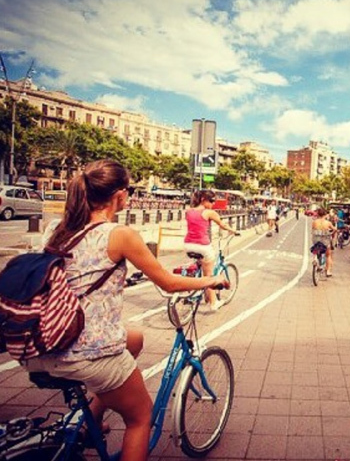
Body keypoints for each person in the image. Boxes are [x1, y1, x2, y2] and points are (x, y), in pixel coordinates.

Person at [23, 160, 226, 461]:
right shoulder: (119, 234)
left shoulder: (57, 228)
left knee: (134, 340)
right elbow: (168, 282)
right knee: (140, 416)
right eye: (128, 190)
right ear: (118, 195)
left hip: (43, 342)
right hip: (86, 350)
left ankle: (87, 421)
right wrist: (212, 280)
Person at [184, 189, 237, 310]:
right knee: (209, 276)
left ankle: (201, 293)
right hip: (202, 246)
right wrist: (233, 231)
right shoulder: (209, 212)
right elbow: (222, 225)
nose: (213, 203)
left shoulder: (189, 211)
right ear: (203, 200)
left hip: (188, 245)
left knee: (201, 267)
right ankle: (213, 303)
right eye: (211, 200)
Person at [311, 207, 336, 277]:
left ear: (318, 214)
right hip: (325, 241)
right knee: (328, 255)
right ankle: (328, 271)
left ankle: (315, 258)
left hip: (316, 240)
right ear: (325, 215)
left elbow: (312, 230)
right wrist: (332, 232)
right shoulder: (328, 223)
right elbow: (335, 229)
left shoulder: (314, 222)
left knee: (315, 248)